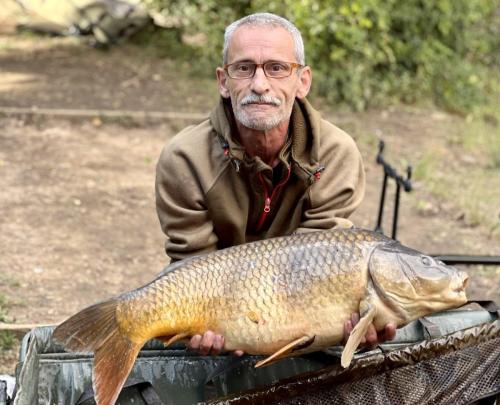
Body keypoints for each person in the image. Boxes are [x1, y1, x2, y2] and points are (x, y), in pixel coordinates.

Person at [155, 12, 395, 357]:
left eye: (277, 68)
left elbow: (315, 268)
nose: (259, 85)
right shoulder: (183, 158)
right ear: (224, 81)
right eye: (244, 68)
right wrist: (219, 324)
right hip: (220, 303)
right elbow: (193, 265)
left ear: (303, 81)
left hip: (301, 305)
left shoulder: (336, 153)